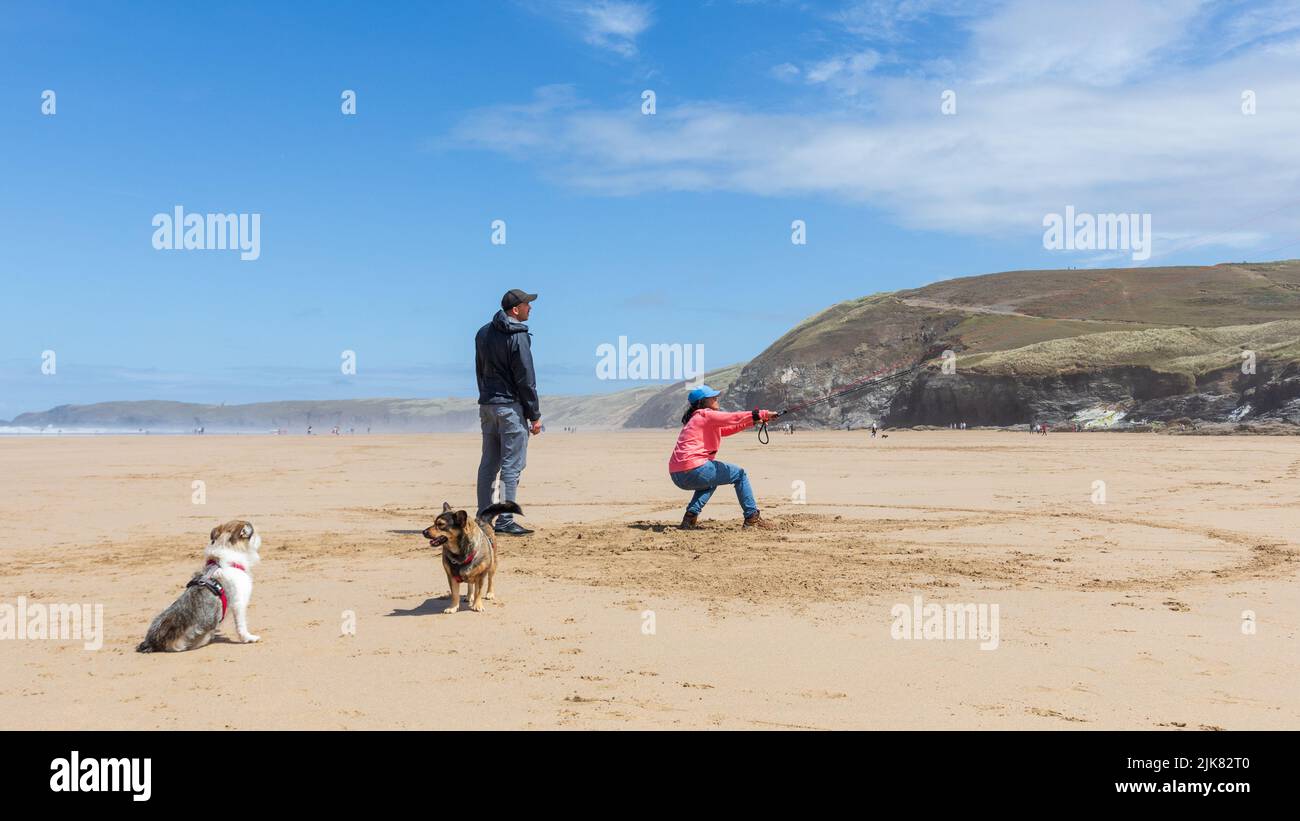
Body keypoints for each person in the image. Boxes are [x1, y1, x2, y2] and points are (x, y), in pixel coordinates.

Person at [475, 288, 541, 536]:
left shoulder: (483, 333)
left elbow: (479, 369)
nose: (530, 308)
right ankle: (504, 520)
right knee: (511, 466)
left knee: (488, 463)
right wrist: (534, 414)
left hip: (487, 406)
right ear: (515, 309)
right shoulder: (519, 335)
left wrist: (486, 397)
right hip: (510, 407)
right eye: (527, 304)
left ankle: (483, 517)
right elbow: (526, 378)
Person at [669, 385, 776, 530]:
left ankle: (690, 518)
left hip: (677, 474)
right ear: (703, 401)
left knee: (710, 482)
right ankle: (751, 518)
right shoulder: (705, 414)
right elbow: (733, 417)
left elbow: (727, 428)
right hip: (694, 469)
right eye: (712, 397)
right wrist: (761, 414)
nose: (716, 398)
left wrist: (753, 422)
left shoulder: (696, 419)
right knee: (740, 474)